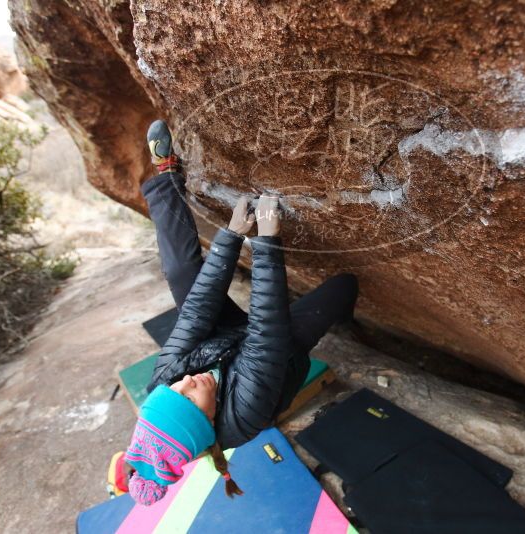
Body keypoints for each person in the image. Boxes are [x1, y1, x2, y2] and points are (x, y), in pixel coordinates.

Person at [124, 120, 359, 506]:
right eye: (188, 397)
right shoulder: (243, 416)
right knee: (343, 285)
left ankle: (166, 173)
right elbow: (267, 335)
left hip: (221, 338)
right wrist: (266, 241)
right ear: (206, 422)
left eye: (173, 389)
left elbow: (196, 312)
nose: (187, 382)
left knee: (184, 274)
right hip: (278, 354)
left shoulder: (166, 384)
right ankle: (346, 319)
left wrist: (229, 239)